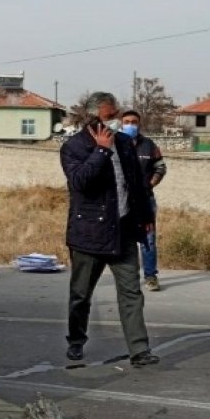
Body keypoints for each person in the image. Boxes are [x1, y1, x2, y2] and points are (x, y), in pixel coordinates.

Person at [60, 92, 158, 367]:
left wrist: (145, 216)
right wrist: (101, 151)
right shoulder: (74, 147)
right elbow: (80, 182)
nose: (116, 121)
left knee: (131, 292)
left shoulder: (124, 143)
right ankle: (76, 340)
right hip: (89, 234)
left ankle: (139, 350)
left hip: (123, 230)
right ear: (93, 118)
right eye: (110, 116)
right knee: (81, 294)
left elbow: (136, 182)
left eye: (116, 115)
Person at [119, 110, 167, 291]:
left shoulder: (148, 145)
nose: (130, 125)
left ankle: (150, 276)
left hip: (145, 201)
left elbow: (160, 167)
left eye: (134, 122)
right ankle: (128, 277)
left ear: (139, 124)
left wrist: (149, 185)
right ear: (121, 123)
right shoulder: (115, 144)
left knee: (148, 240)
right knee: (123, 240)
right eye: (127, 122)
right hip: (122, 201)